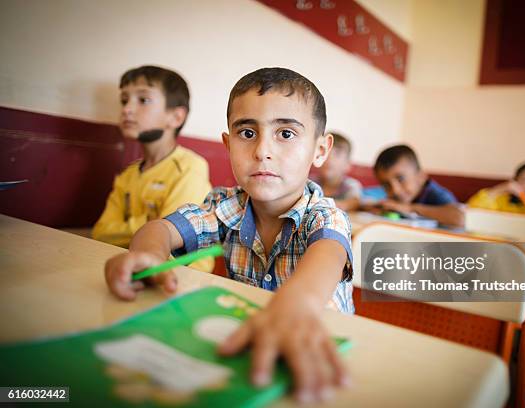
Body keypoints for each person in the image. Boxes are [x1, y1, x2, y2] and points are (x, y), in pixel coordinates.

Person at [104, 67, 354, 403]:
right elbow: (160, 229)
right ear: (228, 143)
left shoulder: (324, 216)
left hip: (320, 361)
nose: (262, 150)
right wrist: (149, 254)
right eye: (247, 133)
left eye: (286, 134)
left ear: (320, 150)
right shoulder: (225, 206)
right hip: (247, 353)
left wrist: (296, 304)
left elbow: (328, 255)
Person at [92, 65, 211, 250]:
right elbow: (100, 233)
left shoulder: (190, 167)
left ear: (176, 117)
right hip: (132, 263)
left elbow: (171, 242)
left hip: (183, 274)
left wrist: (136, 228)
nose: (127, 109)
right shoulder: (129, 174)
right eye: (124, 101)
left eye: (143, 100)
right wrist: (150, 222)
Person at [373, 144, 464, 227]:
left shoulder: (436, 194)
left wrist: (410, 208)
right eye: (386, 185)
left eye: (401, 179)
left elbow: (460, 219)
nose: (395, 190)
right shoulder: (398, 198)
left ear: (421, 177)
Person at [313, 132, 362, 211]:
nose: (330, 158)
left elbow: (353, 203)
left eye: (337, 154)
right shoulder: (310, 182)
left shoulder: (351, 185)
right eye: (326, 152)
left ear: (348, 165)